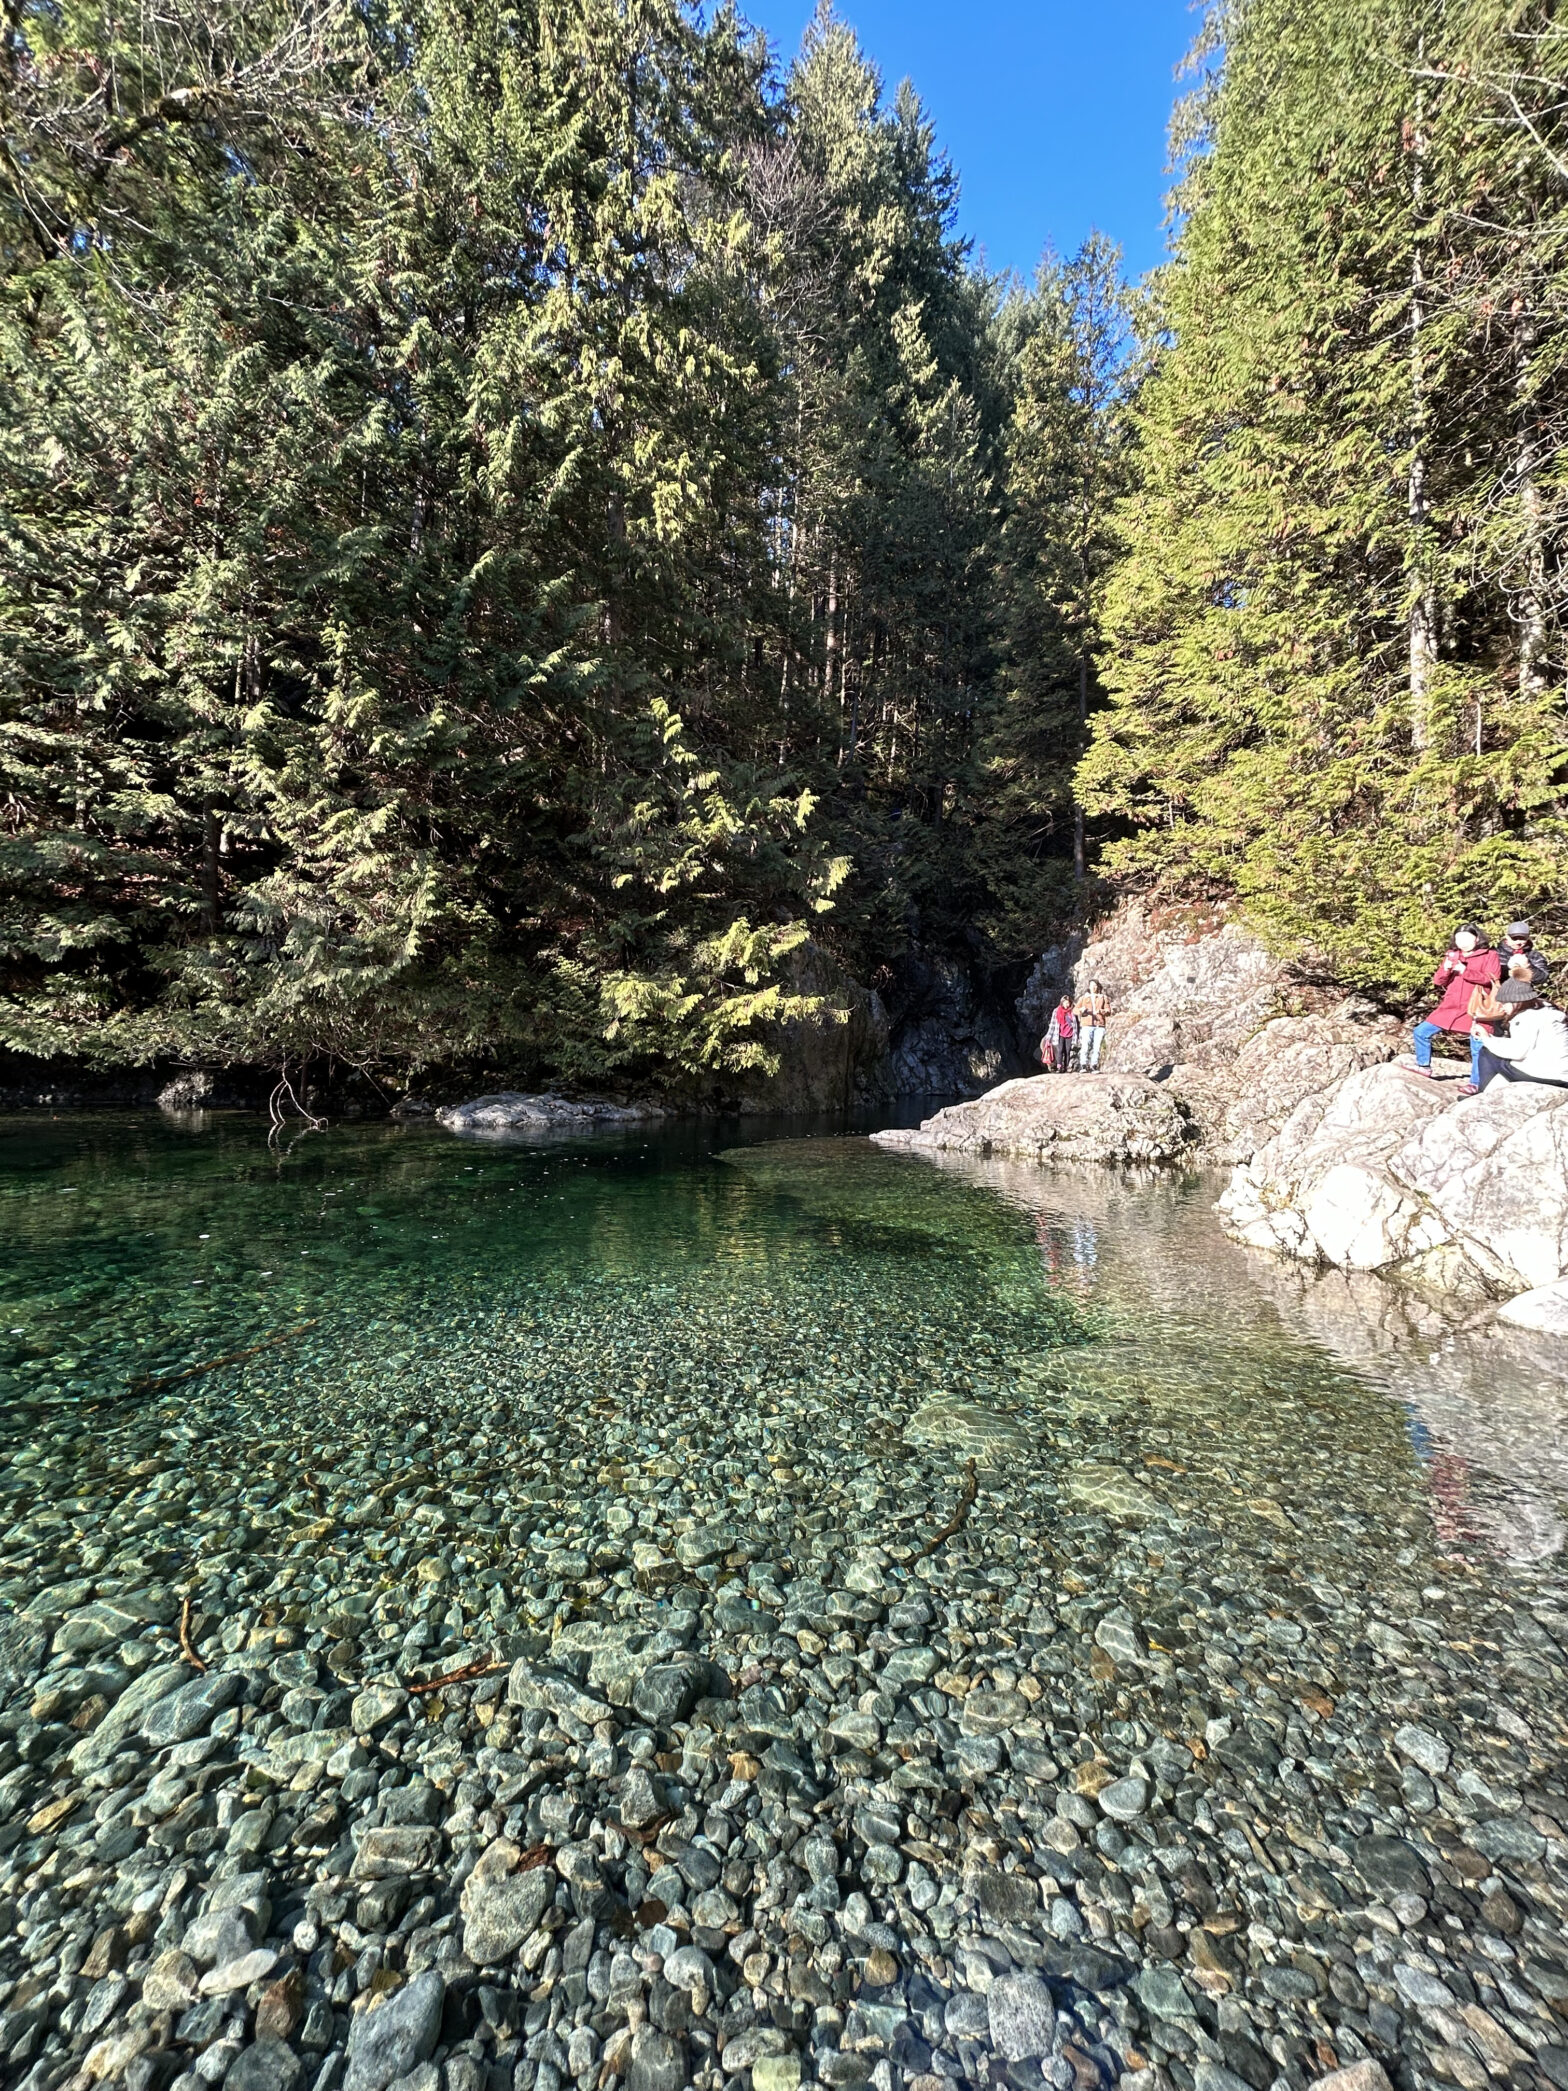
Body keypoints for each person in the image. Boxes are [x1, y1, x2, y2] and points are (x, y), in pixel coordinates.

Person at [1412, 924, 1500, 1087]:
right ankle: (1423, 1066)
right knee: (1421, 1032)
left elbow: (1491, 978)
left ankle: (1476, 1083)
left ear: (1477, 938)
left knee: (1478, 1046)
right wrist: (1445, 969)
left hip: (1476, 1007)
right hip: (1450, 1006)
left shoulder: (1490, 955)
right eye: (1459, 938)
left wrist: (1464, 970)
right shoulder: (1453, 955)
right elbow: (1438, 981)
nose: (1462, 942)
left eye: (1467, 937)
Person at [1474, 979, 1568, 1090]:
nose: (1501, 1007)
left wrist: (1485, 1039)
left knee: (1487, 1052)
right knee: (1499, 1057)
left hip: (1543, 1075)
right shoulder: (1546, 1012)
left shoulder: (1526, 1018)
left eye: (1504, 1003)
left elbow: (1517, 1052)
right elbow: (1519, 1044)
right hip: (1562, 1075)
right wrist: (1490, 1038)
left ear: (1516, 1002)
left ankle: (1481, 1095)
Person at [1498, 920, 1551, 991]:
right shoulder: (1495, 953)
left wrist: (1529, 966)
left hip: (1525, 993)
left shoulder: (1534, 955)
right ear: (1507, 937)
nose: (1518, 942)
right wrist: (1507, 969)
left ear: (1528, 937)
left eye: (1523, 938)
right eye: (1514, 938)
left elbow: (1543, 978)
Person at [1074, 980, 1109, 1072]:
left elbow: (1108, 1011)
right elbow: (1074, 1010)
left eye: (1095, 985)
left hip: (1099, 1025)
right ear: (1089, 987)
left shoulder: (1103, 997)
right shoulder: (1084, 998)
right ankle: (1083, 1065)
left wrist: (1102, 1011)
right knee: (1085, 1045)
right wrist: (1081, 1010)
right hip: (1087, 1024)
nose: (1094, 987)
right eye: (1092, 985)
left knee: (1096, 1047)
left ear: (1098, 987)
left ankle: (1094, 1065)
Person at [1041, 994, 1077, 1073]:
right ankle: (1059, 1066)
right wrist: (1048, 1037)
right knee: (1060, 1050)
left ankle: (1067, 1067)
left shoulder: (1073, 1011)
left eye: (1068, 1003)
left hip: (1070, 1034)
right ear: (1061, 1003)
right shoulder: (1057, 1011)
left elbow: (1076, 1024)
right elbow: (1053, 1024)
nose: (1066, 1005)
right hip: (1060, 1034)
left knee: (1067, 1051)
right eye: (1065, 1003)